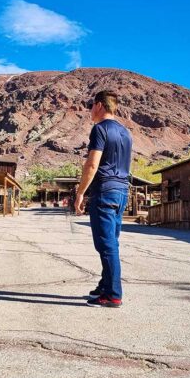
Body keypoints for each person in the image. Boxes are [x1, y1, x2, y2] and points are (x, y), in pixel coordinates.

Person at [75, 90, 132, 308]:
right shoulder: (126, 132)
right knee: (111, 242)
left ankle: (113, 295)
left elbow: (92, 164)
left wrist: (80, 192)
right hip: (121, 192)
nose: (90, 111)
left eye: (91, 106)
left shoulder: (99, 129)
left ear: (99, 105)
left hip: (104, 192)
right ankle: (104, 285)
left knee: (106, 245)